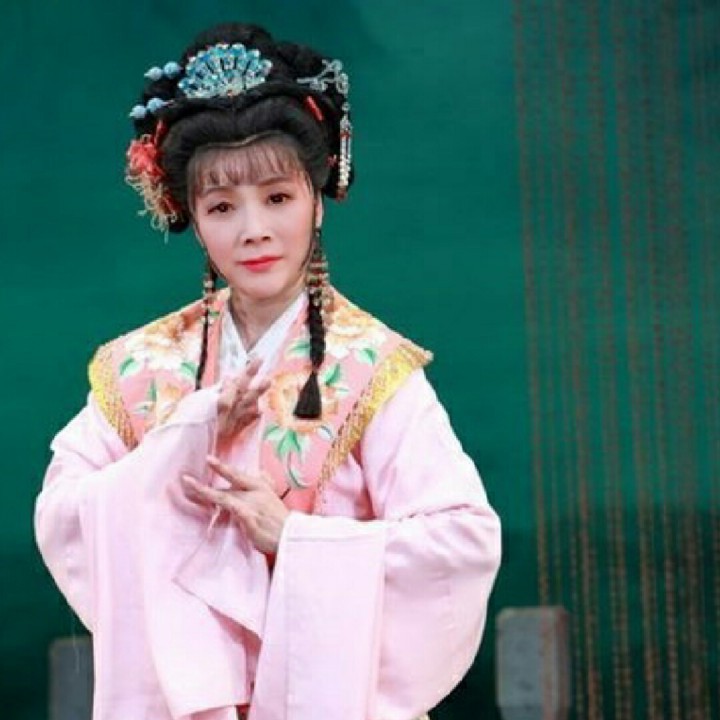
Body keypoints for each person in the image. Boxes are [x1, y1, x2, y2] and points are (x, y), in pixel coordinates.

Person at [35, 21, 501, 720]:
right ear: (192, 218)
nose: (253, 229)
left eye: (278, 197)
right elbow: (64, 514)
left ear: (317, 199)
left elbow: (461, 543)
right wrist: (180, 441)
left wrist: (298, 541)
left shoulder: (373, 367)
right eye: (222, 207)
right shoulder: (138, 369)